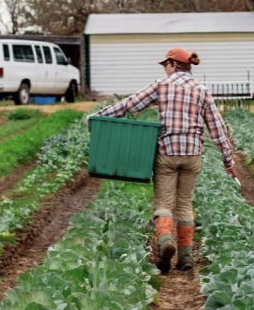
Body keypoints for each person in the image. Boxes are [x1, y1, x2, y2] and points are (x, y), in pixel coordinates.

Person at [93, 47, 237, 273]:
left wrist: (100, 116)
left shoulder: (161, 85)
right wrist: (228, 159)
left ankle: (165, 242)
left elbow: (131, 104)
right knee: (185, 204)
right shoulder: (202, 91)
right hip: (192, 155)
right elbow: (217, 127)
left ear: (174, 64)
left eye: (165, 65)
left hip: (167, 153)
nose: (165, 69)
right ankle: (186, 258)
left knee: (163, 203)